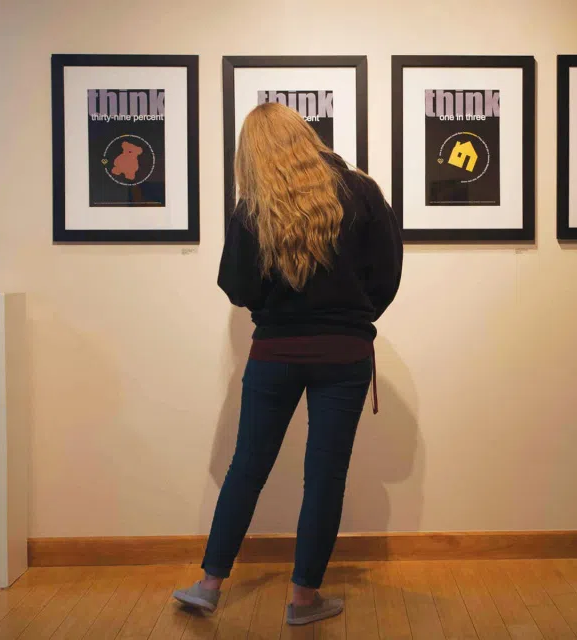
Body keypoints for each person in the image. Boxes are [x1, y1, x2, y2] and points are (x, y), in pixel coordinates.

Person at [173, 102, 403, 626]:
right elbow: (387, 274)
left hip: (274, 354)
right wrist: (351, 317)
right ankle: (303, 600)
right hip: (343, 356)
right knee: (324, 478)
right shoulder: (362, 191)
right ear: (306, 136)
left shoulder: (252, 207)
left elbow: (238, 287)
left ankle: (209, 585)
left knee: (246, 468)